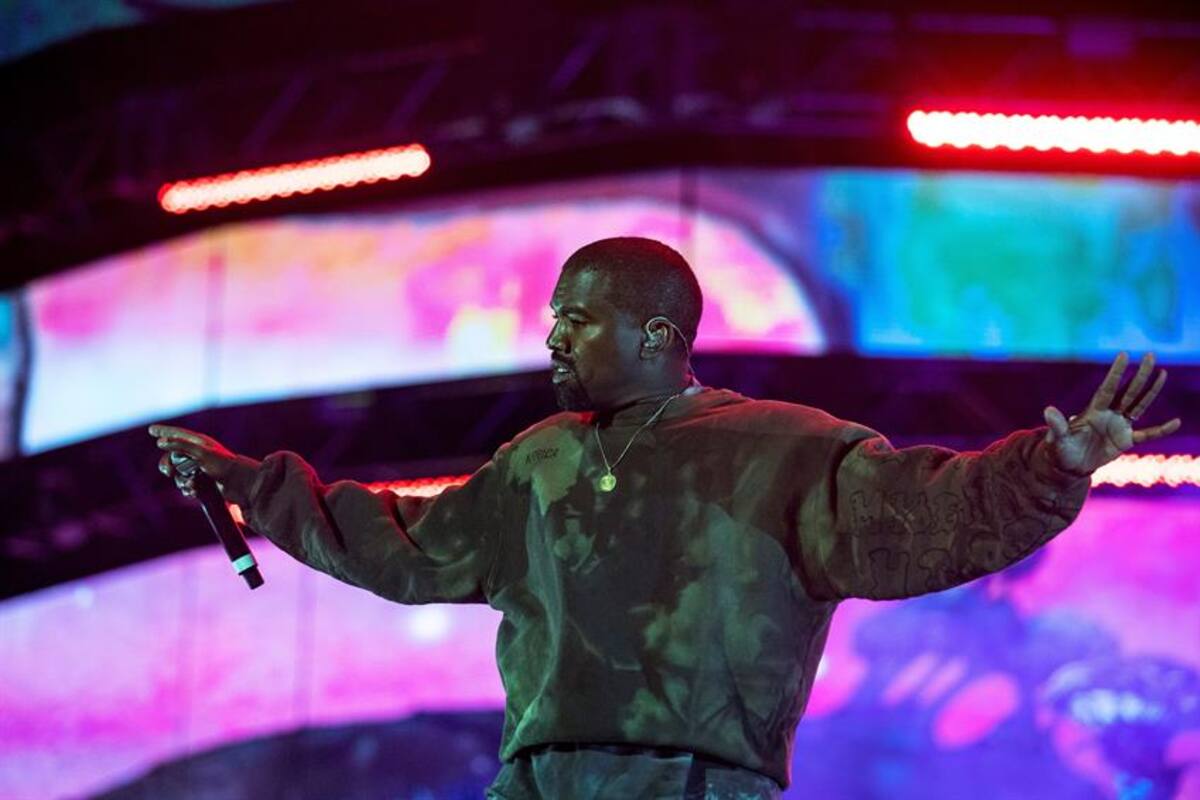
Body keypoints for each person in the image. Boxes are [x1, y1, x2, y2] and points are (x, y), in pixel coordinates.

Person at [150, 237, 1181, 799]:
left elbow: (929, 513)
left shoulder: (786, 443)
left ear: (656, 331)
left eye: (576, 317)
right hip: (542, 781)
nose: (551, 336)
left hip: (696, 784)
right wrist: (252, 483)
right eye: (552, 315)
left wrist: (1055, 464)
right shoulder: (537, 461)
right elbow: (403, 545)